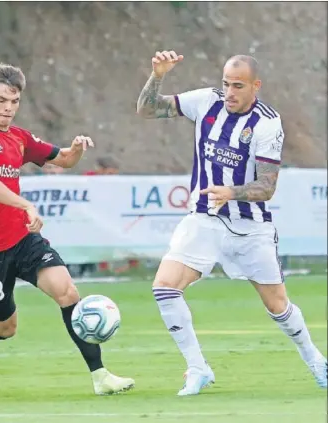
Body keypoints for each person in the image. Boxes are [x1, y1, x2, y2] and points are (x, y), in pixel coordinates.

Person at [137, 51, 327, 395]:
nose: (229, 92)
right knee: (164, 287)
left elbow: (267, 186)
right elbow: (147, 109)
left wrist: (232, 191)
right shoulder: (205, 102)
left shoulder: (268, 123)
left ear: (256, 86)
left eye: (238, 86)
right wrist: (158, 75)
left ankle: (316, 361)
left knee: (278, 306)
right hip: (205, 220)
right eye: (226, 84)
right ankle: (198, 368)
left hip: (250, 227)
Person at [0, 63, 134, 395]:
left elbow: (62, 159)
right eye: (2, 100)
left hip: (22, 239)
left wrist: (75, 151)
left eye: (15, 101)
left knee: (68, 292)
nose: (8, 108)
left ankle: (101, 376)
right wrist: (25, 205)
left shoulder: (19, 138)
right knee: (5, 327)